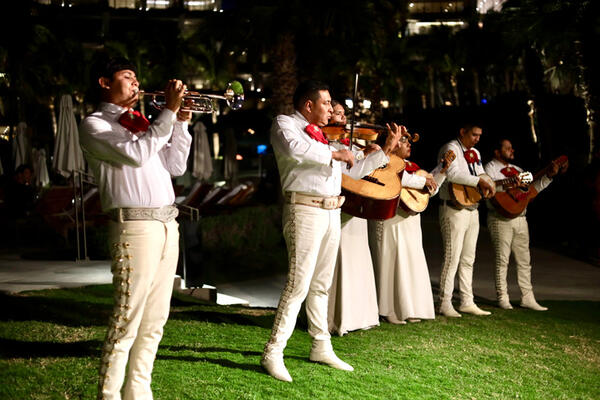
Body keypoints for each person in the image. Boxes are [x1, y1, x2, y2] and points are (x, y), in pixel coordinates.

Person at [263, 80, 401, 382]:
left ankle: (320, 345)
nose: (331, 109)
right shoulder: (286, 124)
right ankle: (273, 350)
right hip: (304, 209)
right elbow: (295, 150)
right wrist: (334, 153)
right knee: (298, 283)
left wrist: (384, 152)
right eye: (327, 103)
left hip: (330, 211)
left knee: (321, 285)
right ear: (308, 105)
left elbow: (351, 172)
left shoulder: (326, 139)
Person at [79, 56, 192, 400]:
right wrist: (169, 113)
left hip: (167, 223)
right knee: (127, 317)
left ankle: (139, 391)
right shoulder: (95, 124)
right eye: (127, 76)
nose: (135, 83)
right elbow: (138, 156)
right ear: (104, 83)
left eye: (135, 77)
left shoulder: (142, 122)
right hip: (134, 226)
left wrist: (182, 124)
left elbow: (175, 165)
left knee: (155, 319)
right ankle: (109, 394)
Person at [369, 132, 445, 324]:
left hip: (410, 220)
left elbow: (430, 190)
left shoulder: (413, 167)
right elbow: (391, 178)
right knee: (389, 260)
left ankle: (408, 307)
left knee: (410, 262)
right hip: (390, 217)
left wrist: (441, 172)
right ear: (393, 144)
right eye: (404, 141)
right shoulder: (384, 162)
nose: (409, 145)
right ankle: (387, 308)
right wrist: (422, 181)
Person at [484, 139, 565, 311]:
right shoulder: (489, 168)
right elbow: (488, 190)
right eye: (507, 148)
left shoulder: (519, 170)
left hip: (521, 217)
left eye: (511, 147)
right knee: (502, 259)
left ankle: (527, 297)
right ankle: (502, 297)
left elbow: (531, 192)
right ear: (497, 152)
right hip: (499, 217)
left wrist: (548, 176)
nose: (511, 150)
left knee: (524, 260)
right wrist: (510, 184)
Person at [327, 100, 381, 336]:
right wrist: (364, 155)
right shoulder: (326, 143)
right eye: (335, 113)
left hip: (357, 207)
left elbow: (361, 167)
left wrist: (366, 152)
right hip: (340, 206)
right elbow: (350, 173)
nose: (340, 118)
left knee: (359, 258)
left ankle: (361, 314)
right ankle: (338, 318)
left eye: (342, 114)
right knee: (341, 260)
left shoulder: (349, 144)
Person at [436, 123, 495, 317]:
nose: (477, 139)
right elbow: (452, 174)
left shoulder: (475, 153)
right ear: (462, 131)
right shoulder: (450, 148)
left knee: (468, 258)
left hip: (472, 207)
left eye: (479, 135)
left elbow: (479, 173)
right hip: (452, 208)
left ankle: (467, 301)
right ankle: (444, 302)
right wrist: (480, 181)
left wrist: (488, 180)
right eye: (474, 134)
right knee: (452, 257)